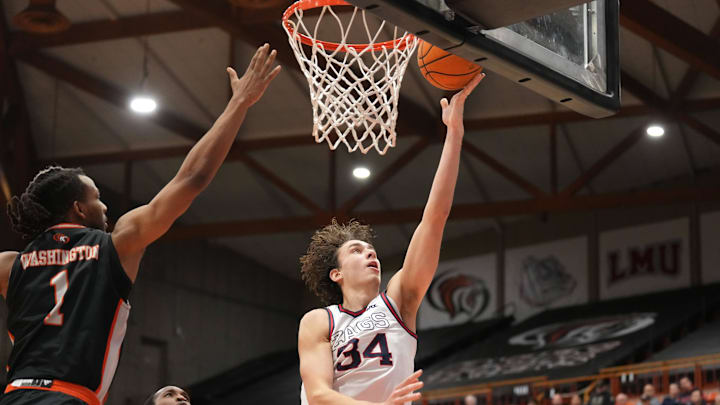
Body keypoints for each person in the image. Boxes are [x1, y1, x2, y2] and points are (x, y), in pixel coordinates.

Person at [0, 44, 281, 405]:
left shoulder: (13, 265)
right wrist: (238, 103)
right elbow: (191, 179)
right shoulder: (117, 243)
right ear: (78, 209)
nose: (105, 205)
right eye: (96, 197)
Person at [297, 72, 486, 405]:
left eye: (372, 250)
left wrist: (454, 133)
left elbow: (435, 218)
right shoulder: (320, 321)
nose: (371, 255)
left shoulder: (399, 300)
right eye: (357, 251)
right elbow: (318, 395)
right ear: (336, 273)